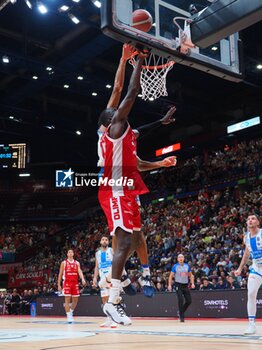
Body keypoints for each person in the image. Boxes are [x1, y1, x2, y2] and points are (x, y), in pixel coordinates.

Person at [97, 43, 177, 298]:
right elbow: (121, 89)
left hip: (128, 177)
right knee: (123, 238)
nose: (116, 109)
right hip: (112, 180)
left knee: (137, 235)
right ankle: (114, 280)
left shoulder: (121, 130)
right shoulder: (108, 129)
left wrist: (160, 163)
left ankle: (142, 275)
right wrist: (129, 61)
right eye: (114, 112)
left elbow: (138, 157)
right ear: (107, 122)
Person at [235, 214, 262, 335]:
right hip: (256, 267)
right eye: (248, 219)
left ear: (258, 222)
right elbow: (246, 254)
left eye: (253, 219)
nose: (250, 220)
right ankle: (252, 325)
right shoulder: (246, 237)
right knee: (251, 294)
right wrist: (240, 268)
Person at [92, 236, 117, 328]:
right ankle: (108, 319)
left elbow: (116, 262)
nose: (104, 241)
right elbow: (96, 266)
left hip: (111, 277)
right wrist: (95, 278)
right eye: (103, 239)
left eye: (106, 239)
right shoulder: (97, 253)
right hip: (102, 278)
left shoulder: (111, 250)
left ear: (108, 242)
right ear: (100, 242)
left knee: (112, 298)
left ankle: (115, 320)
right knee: (104, 299)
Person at [58, 249, 86, 323]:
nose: (70, 253)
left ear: (73, 254)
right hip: (67, 283)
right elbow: (60, 274)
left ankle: (71, 311)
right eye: (69, 252)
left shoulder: (77, 263)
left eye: (71, 252)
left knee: (75, 300)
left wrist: (82, 279)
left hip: (75, 283)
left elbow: (79, 271)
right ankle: (68, 316)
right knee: (67, 299)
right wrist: (58, 284)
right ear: (67, 254)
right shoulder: (64, 263)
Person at [168, 254, 195, 322]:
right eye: (179, 257)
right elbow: (171, 276)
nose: (180, 258)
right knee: (181, 299)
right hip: (178, 285)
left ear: (184, 258)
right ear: (177, 259)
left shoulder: (187, 266)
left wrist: (192, 283)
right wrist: (169, 285)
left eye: (182, 257)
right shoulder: (175, 266)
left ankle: (180, 311)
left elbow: (191, 275)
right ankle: (181, 316)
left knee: (189, 301)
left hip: (185, 285)